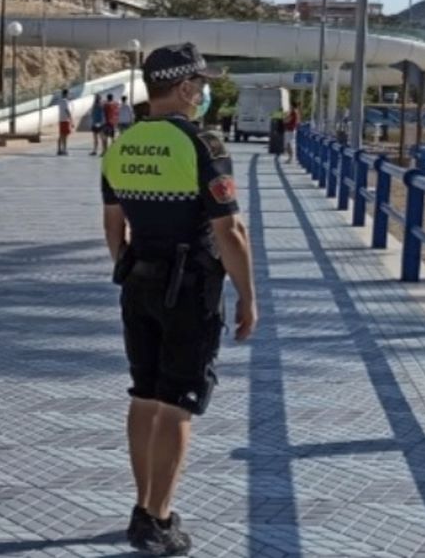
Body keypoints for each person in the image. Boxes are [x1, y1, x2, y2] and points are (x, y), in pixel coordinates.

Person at [101, 43, 257, 555]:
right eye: (201, 84)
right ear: (187, 88)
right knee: (176, 405)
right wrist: (247, 295)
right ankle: (158, 519)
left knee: (144, 395)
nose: (204, 92)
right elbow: (229, 229)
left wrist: (126, 264)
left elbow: (113, 223)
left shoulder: (122, 142)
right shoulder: (202, 144)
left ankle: (142, 504)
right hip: (188, 288)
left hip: (138, 280)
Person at [56, 89, 74, 156]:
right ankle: (64, 150)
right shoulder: (66, 101)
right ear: (66, 94)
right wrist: (71, 119)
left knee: (61, 135)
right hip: (65, 120)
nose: (69, 95)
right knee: (65, 136)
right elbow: (67, 110)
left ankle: (59, 149)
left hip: (61, 120)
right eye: (68, 94)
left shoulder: (59, 101)